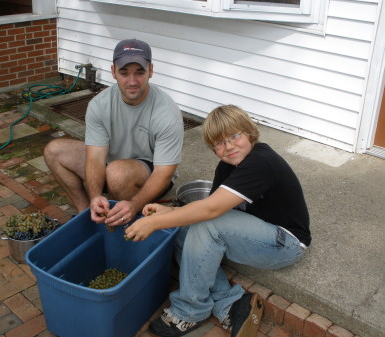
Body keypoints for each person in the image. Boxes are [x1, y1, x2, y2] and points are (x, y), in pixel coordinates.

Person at [123, 105, 311, 337]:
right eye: (219, 143)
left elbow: (211, 211)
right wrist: (166, 212)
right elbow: (207, 207)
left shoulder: (261, 161)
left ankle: (189, 311)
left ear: (249, 133)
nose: (228, 146)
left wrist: (153, 223)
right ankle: (229, 302)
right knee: (184, 228)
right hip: (255, 232)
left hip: (286, 243)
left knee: (207, 224)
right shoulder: (227, 166)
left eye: (234, 136)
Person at [43, 39, 184, 226]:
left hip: (149, 171)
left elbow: (164, 173)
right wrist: (95, 196)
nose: (132, 81)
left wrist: (134, 204)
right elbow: (95, 158)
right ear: (113, 72)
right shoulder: (100, 104)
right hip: (112, 164)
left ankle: (131, 220)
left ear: (150, 70)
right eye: (124, 73)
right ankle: (87, 214)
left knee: (117, 174)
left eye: (139, 72)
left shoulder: (167, 112)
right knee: (54, 150)